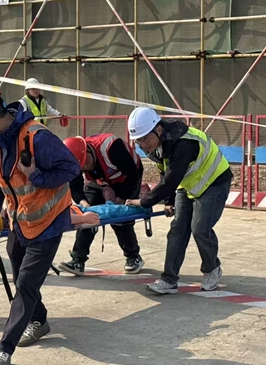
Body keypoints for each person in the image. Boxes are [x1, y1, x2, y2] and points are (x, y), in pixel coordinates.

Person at [0, 82, 80, 365]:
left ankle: (5, 349)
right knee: (21, 276)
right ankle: (39, 320)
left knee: (25, 284)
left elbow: (71, 168)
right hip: (21, 223)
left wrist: (37, 176)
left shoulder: (37, 137)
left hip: (49, 222)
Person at [124, 107, 232, 295]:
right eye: (138, 140)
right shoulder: (153, 145)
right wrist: (169, 201)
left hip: (214, 181)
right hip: (188, 183)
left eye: (145, 139)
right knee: (177, 229)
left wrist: (143, 202)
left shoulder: (183, 142)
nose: (142, 144)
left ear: (158, 129)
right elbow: (164, 171)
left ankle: (212, 269)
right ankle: (169, 280)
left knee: (200, 229)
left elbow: (169, 181)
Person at [59, 134, 145, 275]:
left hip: (126, 179)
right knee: (86, 218)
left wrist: (120, 199)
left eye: (86, 162)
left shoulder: (112, 147)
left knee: (119, 217)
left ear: (88, 150)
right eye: (82, 167)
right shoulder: (74, 161)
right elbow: (75, 187)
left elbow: (133, 175)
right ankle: (78, 260)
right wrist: (85, 205)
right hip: (98, 181)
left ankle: (133, 256)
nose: (86, 167)